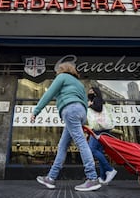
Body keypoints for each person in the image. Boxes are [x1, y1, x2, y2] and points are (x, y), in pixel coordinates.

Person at [31, 62, 101, 192]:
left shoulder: (62, 77)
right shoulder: (79, 83)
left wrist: (36, 111)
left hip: (70, 110)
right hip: (80, 112)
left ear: (63, 70)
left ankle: (92, 178)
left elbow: (48, 94)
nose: (57, 71)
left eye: (58, 69)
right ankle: (51, 178)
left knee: (81, 142)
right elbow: (84, 102)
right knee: (63, 145)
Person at [87, 87, 117, 184]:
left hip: (99, 129)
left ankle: (110, 170)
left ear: (95, 92)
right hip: (103, 129)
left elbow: (99, 108)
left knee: (92, 149)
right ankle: (103, 178)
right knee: (99, 152)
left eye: (91, 90)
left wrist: (90, 105)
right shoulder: (96, 100)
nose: (89, 92)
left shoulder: (96, 99)